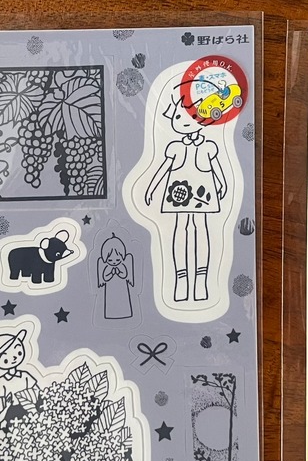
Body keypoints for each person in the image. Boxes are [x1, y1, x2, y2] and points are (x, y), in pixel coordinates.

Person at [143, 94, 228, 302]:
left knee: (201, 228)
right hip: (178, 193)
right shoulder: (175, 148)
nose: (182, 122)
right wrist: (151, 188)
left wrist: (223, 183)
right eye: (178, 117)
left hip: (202, 193)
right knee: (181, 229)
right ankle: (181, 282)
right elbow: (164, 169)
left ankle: (201, 282)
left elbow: (217, 169)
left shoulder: (208, 147)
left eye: (188, 116)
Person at [0, 329, 39, 417]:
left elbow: (36, 390)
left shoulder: (25, 375)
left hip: (31, 409)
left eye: (18, 352)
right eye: (6, 360)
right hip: (12, 412)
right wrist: (4, 414)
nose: (14, 358)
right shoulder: (0, 382)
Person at [96, 235, 134, 320]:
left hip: (122, 287)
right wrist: (111, 273)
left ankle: (125, 312)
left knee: (123, 299)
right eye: (110, 260)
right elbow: (105, 278)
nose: (114, 262)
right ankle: (111, 314)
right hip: (110, 288)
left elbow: (124, 275)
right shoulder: (107, 267)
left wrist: (119, 272)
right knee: (111, 300)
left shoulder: (122, 266)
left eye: (117, 260)